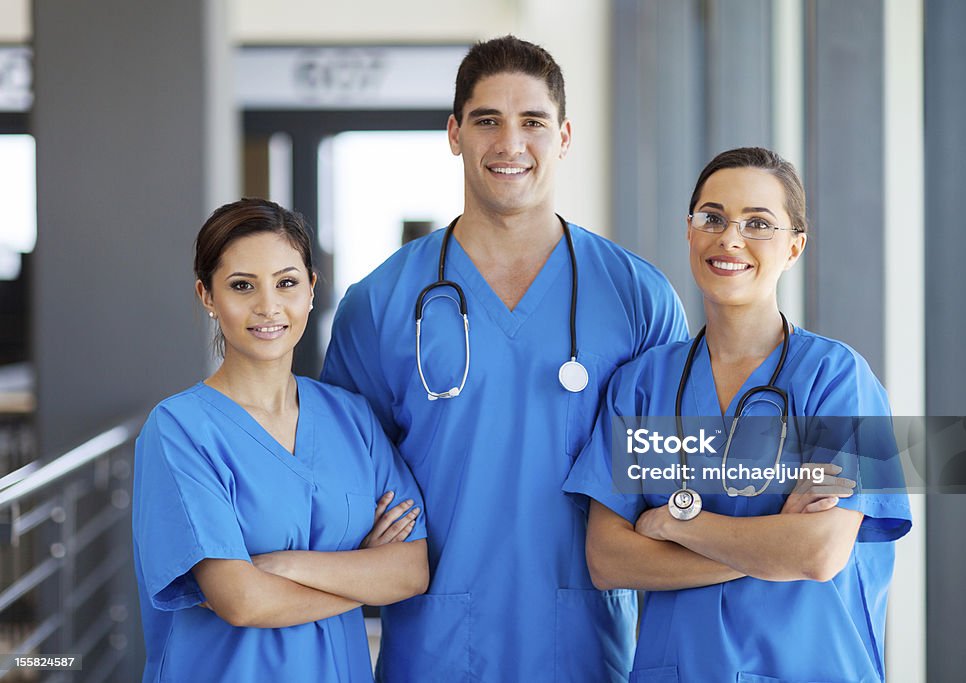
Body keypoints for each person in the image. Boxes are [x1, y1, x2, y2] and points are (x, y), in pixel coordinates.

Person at [321, 36, 688, 682]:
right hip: (433, 649)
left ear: (566, 136)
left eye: (533, 123)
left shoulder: (638, 298)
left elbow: (674, 477)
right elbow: (338, 479)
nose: (510, 143)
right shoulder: (379, 304)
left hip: (586, 648)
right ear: (454, 133)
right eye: (487, 120)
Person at [564, 147, 912, 682]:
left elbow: (819, 552)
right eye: (713, 217)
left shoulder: (837, 380)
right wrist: (770, 548)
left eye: (758, 223)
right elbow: (609, 560)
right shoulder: (642, 386)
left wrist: (679, 523)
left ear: (795, 247)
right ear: (689, 231)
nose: (730, 238)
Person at [132, 198, 429, 682]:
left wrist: (281, 565)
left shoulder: (352, 418)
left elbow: (411, 571)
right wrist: (363, 575)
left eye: (286, 282)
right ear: (207, 296)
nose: (268, 306)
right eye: (242, 286)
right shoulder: (180, 430)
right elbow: (242, 600)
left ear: (311, 290)